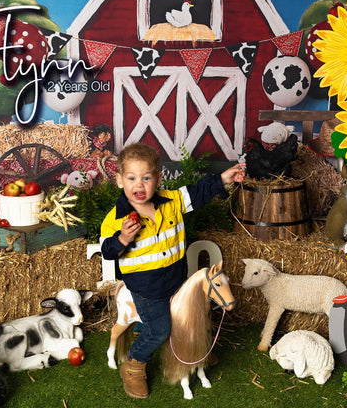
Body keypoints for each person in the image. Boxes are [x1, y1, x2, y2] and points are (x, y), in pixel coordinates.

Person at [100, 143, 245, 399]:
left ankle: (194, 353)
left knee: (190, 317)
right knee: (159, 329)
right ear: (120, 180)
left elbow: (198, 192)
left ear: (158, 179)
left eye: (146, 178)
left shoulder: (172, 201)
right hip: (147, 289)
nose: (139, 184)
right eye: (132, 178)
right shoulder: (115, 219)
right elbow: (107, 251)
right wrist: (122, 238)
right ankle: (134, 363)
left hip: (177, 280)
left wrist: (223, 179)